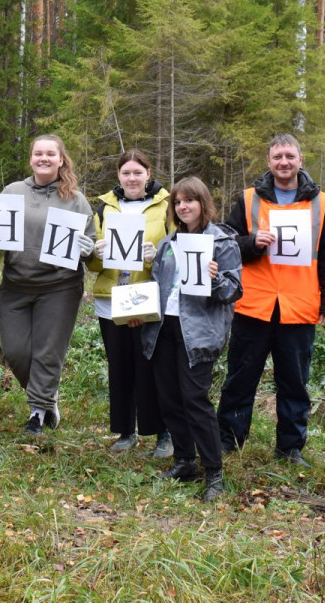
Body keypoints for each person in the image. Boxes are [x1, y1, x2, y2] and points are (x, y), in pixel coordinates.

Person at [216, 134, 325, 466]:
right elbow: (225, 245)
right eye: (277, 157)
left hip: (299, 307)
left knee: (294, 383)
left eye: (289, 156)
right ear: (269, 161)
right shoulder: (247, 200)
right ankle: (228, 441)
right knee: (240, 378)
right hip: (253, 305)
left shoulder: (323, 204)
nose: (283, 162)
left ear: (300, 160)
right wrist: (250, 242)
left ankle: (290, 449)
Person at [144, 177, 242, 502]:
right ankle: (184, 462)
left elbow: (233, 291)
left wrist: (215, 280)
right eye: (178, 202)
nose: (184, 206)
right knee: (169, 399)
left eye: (190, 200)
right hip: (163, 329)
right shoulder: (168, 243)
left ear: (203, 203)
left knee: (194, 400)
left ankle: (214, 472)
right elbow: (159, 285)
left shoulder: (222, 241)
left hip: (197, 333)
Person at [0, 135, 96, 435]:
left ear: (61, 159)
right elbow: (0, 239)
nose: (44, 158)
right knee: (15, 351)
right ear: (30, 158)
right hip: (16, 284)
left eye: (50, 154)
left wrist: (88, 247)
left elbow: (90, 246)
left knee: (47, 352)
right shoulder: (12, 191)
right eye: (38, 153)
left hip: (59, 286)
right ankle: (48, 397)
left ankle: (38, 413)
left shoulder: (75, 199)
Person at [86, 150, 171, 456]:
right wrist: (94, 255)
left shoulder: (166, 205)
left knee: (152, 367)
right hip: (111, 299)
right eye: (126, 173)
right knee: (119, 367)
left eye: (138, 172)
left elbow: (176, 253)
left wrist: (157, 257)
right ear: (118, 176)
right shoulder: (105, 206)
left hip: (147, 298)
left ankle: (163, 432)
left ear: (148, 174)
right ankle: (126, 432)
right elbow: (93, 266)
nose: (132, 178)